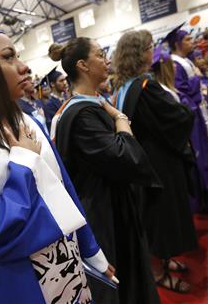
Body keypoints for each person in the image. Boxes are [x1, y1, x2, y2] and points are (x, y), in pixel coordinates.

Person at [0, 0, 116, 304]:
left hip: (68, 268)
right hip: (16, 285)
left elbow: (63, 190)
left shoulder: (25, 120)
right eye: (8, 57)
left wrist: (91, 250)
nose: (24, 65)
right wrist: (22, 162)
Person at [50, 37, 161, 304]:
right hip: (103, 213)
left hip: (112, 204)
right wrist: (120, 118)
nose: (107, 59)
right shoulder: (83, 115)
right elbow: (128, 157)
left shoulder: (90, 104)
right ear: (83, 65)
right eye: (100, 55)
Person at [112, 30, 198, 293]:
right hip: (158, 164)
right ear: (140, 53)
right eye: (150, 47)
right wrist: (184, 107)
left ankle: (165, 261)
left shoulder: (124, 88)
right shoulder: (145, 88)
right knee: (162, 217)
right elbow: (178, 117)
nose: (154, 52)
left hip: (144, 161)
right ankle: (160, 271)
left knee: (156, 217)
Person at [168, 24, 208, 194]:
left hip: (199, 107)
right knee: (199, 151)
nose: (192, 42)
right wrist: (196, 78)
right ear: (177, 43)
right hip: (192, 110)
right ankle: (204, 190)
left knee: (205, 146)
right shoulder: (175, 63)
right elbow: (182, 90)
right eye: (187, 39)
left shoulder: (186, 60)